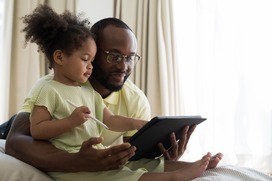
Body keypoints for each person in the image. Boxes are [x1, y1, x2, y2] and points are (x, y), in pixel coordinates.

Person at [5, 7, 223, 175]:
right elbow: (17, 141)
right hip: (26, 126)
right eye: (114, 55)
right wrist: (78, 162)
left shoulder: (135, 101)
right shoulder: (60, 84)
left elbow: (135, 157)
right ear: (92, 51)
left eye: (130, 57)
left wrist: (169, 159)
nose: (123, 65)